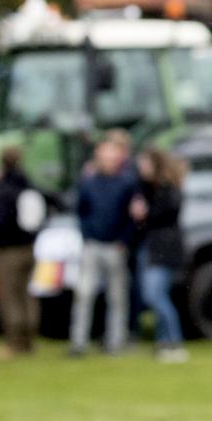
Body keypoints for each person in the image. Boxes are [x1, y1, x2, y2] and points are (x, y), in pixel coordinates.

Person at [71, 134, 139, 356]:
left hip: (115, 246)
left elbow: (132, 216)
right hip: (93, 244)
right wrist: (86, 235)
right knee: (84, 294)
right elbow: (81, 211)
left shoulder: (127, 183)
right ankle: (78, 342)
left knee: (117, 297)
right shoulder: (89, 182)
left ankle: (115, 342)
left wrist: (123, 240)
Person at [132, 147, 188, 363]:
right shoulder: (146, 188)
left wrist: (145, 213)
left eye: (144, 164)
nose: (141, 168)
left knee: (154, 295)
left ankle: (175, 341)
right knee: (158, 295)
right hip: (151, 248)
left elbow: (165, 214)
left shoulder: (168, 189)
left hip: (164, 250)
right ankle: (163, 342)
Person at [0, 146, 43, 359]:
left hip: (9, 250)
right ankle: (29, 339)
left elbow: (0, 221)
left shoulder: (5, 190)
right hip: (30, 247)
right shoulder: (28, 185)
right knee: (28, 295)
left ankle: (14, 342)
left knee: (10, 297)